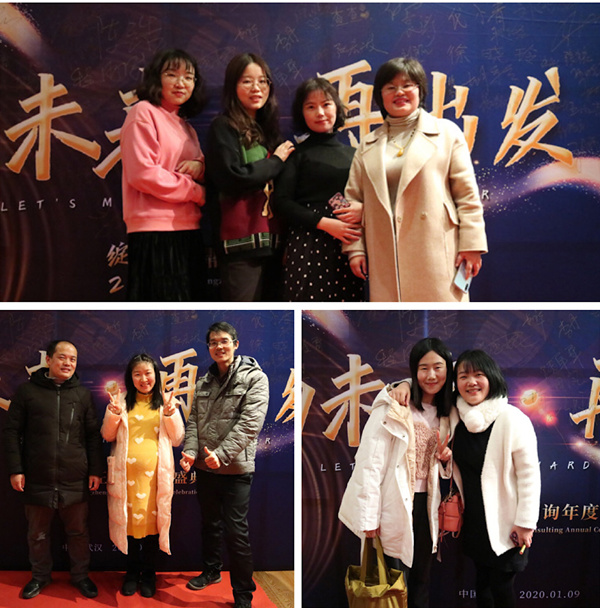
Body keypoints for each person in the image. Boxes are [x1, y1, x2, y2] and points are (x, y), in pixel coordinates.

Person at [342, 57, 488, 302]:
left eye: (407, 85)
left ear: (420, 90)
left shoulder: (446, 132)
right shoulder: (367, 144)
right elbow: (352, 201)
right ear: (380, 96)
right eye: (390, 87)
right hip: (385, 256)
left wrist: (472, 245)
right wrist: (355, 249)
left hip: (436, 251)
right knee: (395, 320)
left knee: (443, 317)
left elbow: (467, 195)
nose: (399, 92)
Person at [338, 337, 457, 608]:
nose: (431, 375)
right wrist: (369, 517)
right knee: (392, 582)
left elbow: (441, 469)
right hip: (392, 504)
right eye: (423, 368)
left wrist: (445, 460)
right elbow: (370, 462)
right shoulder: (393, 406)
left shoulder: (448, 411)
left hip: (427, 507)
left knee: (422, 579)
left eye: (438, 367)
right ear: (414, 371)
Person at [3, 340, 104, 600]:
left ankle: (81, 576)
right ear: (48, 360)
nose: (68, 363)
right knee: (37, 534)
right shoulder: (27, 392)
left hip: (75, 477)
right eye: (62, 357)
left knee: (78, 533)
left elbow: (93, 435)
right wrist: (16, 469)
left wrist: (95, 470)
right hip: (38, 476)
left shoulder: (82, 395)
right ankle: (40, 576)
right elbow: (11, 432)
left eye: (73, 359)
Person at [180, 321, 269, 608]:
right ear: (208, 347)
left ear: (235, 344)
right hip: (205, 468)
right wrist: (190, 451)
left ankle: (243, 594)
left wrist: (222, 453)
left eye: (224, 341)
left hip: (235, 469)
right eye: (213, 342)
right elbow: (194, 421)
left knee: (236, 532)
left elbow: (250, 423)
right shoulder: (203, 382)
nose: (219, 346)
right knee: (209, 524)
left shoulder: (255, 378)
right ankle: (211, 571)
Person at [452, 350, 540, 608]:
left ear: (492, 377)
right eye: (463, 376)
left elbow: (529, 475)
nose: (471, 382)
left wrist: (525, 523)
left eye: (478, 374)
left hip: (507, 523)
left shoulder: (512, 418)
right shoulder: (458, 418)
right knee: (482, 586)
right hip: (475, 522)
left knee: (501, 589)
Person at [205, 52, 295, 302]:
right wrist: (276, 161)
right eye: (247, 81)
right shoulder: (223, 127)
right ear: (232, 87)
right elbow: (232, 178)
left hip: (274, 244)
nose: (257, 88)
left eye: (262, 81)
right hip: (240, 246)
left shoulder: (269, 131)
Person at [120, 48, 207, 301]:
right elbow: (143, 174)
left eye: (188, 77)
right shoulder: (143, 112)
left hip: (190, 229)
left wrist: (200, 167)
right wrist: (196, 192)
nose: (181, 83)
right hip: (155, 231)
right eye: (172, 74)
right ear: (156, 78)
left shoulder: (187, 127)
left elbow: (201, 165)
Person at [272, 77, 364, 301]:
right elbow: (281, 202)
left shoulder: (355, 155)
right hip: (307, 242)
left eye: (326, 104)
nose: (320, 113)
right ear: (302, 113)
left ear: (337, 108)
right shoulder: (296, 155)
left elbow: (368, 198)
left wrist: (362, 209)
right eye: (311, 107)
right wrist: (324, 223)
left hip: (347, 244)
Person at [101, 353, 184, 597]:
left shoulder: (166, 402)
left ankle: (148, 574)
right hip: (125, 479)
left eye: (148, 373)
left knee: (152, 529)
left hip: (155, 480)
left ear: (156, 375)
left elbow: (178, 438)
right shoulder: (121, 401)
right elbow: (107, 435)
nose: (143, 379)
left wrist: (170, 414)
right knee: (128, 525)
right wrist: (114, 413)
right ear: (130, 377)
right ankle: (131, 573)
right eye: (137, 374)